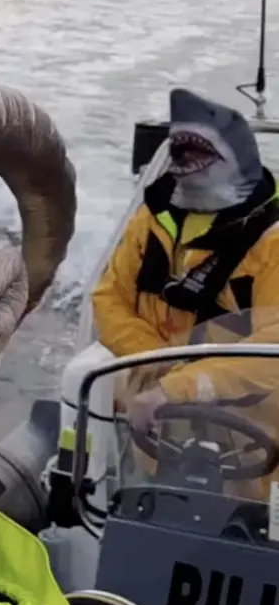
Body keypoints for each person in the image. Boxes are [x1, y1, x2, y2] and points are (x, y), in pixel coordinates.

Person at [92, 88, 279, 464]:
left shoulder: (272, 241)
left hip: (254, 445)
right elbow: (108, 299)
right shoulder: (150, 220)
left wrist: (182, 386)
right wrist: (161, 362)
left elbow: (273, 353)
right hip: (152, 424)